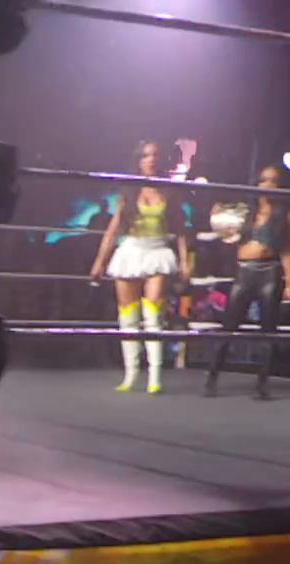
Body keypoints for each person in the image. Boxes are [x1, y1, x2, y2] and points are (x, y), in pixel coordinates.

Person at [89, 139, 190, 393]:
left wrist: (184, 261)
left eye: (155, 155)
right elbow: (113, 229)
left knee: (153, 315)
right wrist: (100, 262)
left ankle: (155, 376)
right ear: (139, 160)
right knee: (128, 317)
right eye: (146, 155)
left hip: (158, 250)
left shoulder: (169, 191)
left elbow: (180, 229)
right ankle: (131, 374)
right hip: (131, 250)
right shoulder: (129, 191)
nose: (151, 159)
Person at [203, 164, 290, 399]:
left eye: (273, 180)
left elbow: (287, 250)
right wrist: (216, 217)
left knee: (268, 329)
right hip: (244, 270)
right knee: (229, 325)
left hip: (269, 270)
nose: (269, 185)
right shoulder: (244, 212)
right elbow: (225, 234)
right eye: (264, 180)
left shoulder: (286, 216)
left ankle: (262, 383)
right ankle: (212, 378)